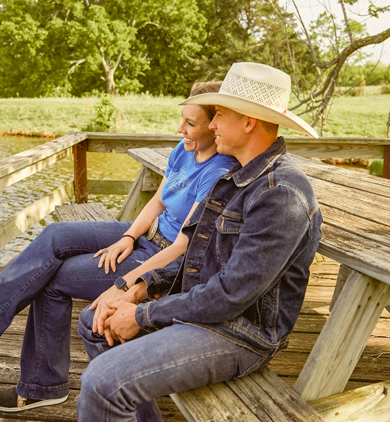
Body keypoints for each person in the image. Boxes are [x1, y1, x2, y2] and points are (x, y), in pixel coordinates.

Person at [0, 80, 237, 414]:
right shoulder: (183, 150)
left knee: (52, 278)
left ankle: (39, 385)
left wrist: (129, 281)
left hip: (166, 261)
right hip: (145, 239)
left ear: (215, 125)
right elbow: (156, 203)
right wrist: (127, 238)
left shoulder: (218, 171)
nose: (180, 129)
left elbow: (182, 246)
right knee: (55, 235)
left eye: (191, 124)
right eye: (182, 120)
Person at [75, 62, 323, 422]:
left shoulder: (281, 194)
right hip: (207, 309)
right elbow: (197, 252)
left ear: (248, 121)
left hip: (240, 333)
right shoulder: (234, 174)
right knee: (93, 321)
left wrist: (142, 315)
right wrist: (138, 289)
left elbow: (231, 295)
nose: (212, 124)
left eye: (219, 114)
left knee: (103, 382)